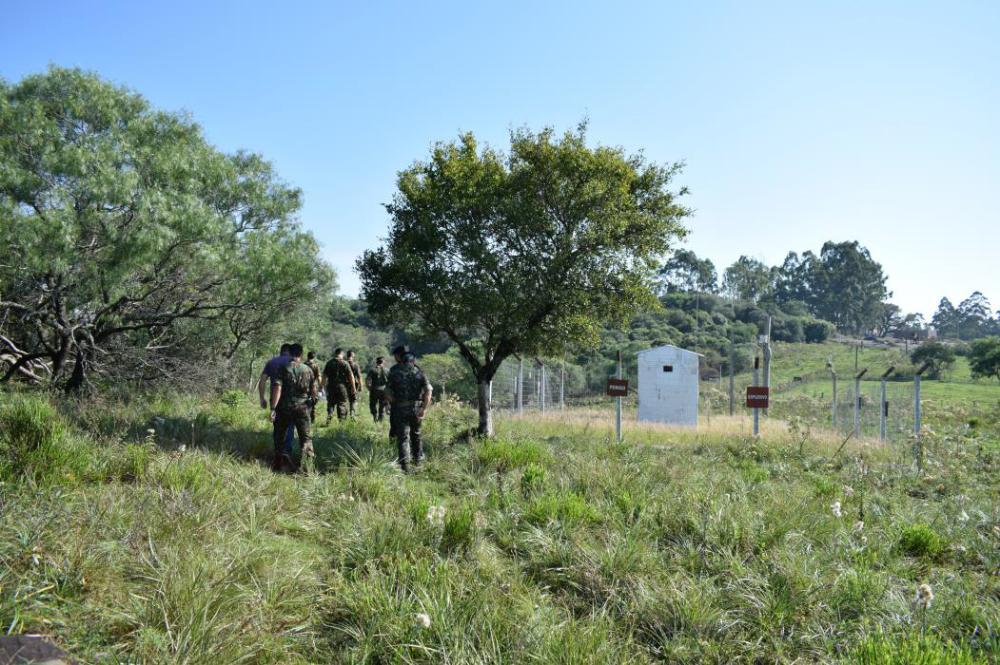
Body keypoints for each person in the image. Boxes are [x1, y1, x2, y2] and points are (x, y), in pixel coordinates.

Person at [268, 343, 317, 472]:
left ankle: (278, 464)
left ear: (290, 354)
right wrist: (311, 404)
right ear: (301, 354)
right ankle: (307, 468)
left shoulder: (283, 368)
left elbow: (277, 387)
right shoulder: (308, 370)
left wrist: (273, 408)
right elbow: (314, 391)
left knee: (280, 436)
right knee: (305, 438)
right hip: (303, 408)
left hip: (285, 407)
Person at [386, 345, 432, 472]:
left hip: (400, 408)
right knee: (416, 434)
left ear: (402, 360)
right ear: (413, 361)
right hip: (416, 408)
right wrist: (423, 408)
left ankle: (405, 466)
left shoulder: (394, 373)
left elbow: (387, 392)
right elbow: (428, 391)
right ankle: (418, 462)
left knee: (403, 438)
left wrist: (393, 402)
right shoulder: (420, 373)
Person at [257, 343, 296, 459]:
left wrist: (262, 398)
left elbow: (262, 381)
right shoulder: (295, 362)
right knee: (290, 426)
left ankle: (277, 451)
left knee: (277, 425)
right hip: (291, 400)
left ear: (281, 351)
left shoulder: (271, 362)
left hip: (275, 399)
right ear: (291, 352)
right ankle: (287, 452)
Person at [323, 348, 356, 423]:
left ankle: (329, 416)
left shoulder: (329, 363)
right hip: (342, 386)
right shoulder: (345, 363)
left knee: (331, 403)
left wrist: (323, 387)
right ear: (342, 354)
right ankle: (341, 420)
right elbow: (351, 376)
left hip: (331, 386)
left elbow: (324, 376)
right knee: (342, 403)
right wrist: (353, 388)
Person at [365, 356, 390, 422]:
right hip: (384, 390)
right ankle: (380, 419)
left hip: (374, 389)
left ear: (376, 362)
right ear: (383, 362)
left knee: (373, 404)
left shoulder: (372, 370)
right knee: (382, 405)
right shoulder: (387, 370)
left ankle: (375, 416)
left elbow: (367, 381)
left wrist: (369, 389)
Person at [305, 351, 322, 422]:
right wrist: (321, 387)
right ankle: (312, 419)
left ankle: (305, 418)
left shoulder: (303, 364)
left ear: (307, 356)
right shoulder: (315, 365)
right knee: (313, 403)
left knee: (304, 402)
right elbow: (318, 377)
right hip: (313, 387)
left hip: (304, 386)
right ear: (314, 357)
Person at [346, 350, 363, 417]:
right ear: (353, 356)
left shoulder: (344, 363)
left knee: (344, 400)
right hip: (354, 385)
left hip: (344, 384)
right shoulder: (355, 365)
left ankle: (343, 415)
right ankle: (352, 415)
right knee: (353, 400)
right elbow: (359, 377)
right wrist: (361, 386)